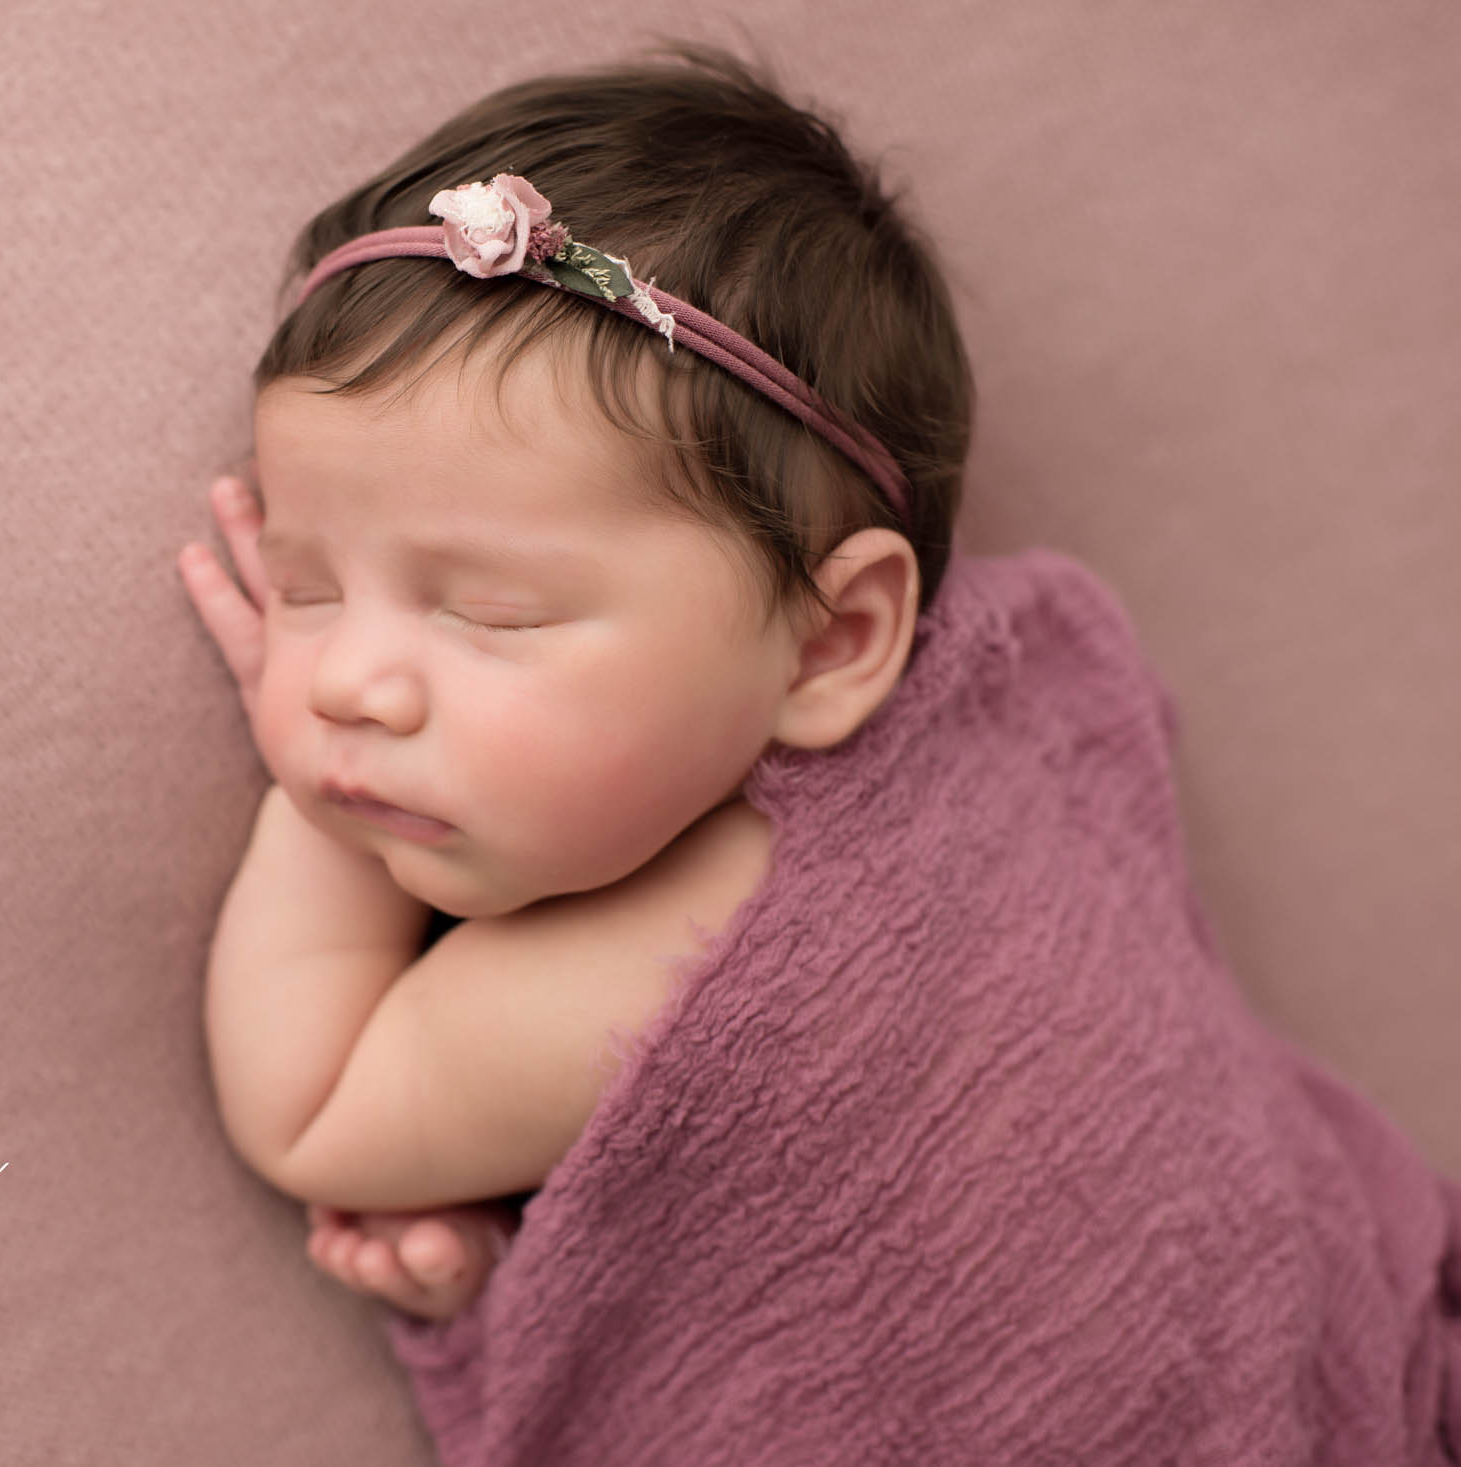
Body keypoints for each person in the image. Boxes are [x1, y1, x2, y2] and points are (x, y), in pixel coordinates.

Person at [177, 41, 1459, 1464]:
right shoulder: (1020, 669)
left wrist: (314, 814)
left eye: (492, 610)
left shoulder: (663, 969)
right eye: (304, 587)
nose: (350, 679)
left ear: (840, 641)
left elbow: (313, 1103)